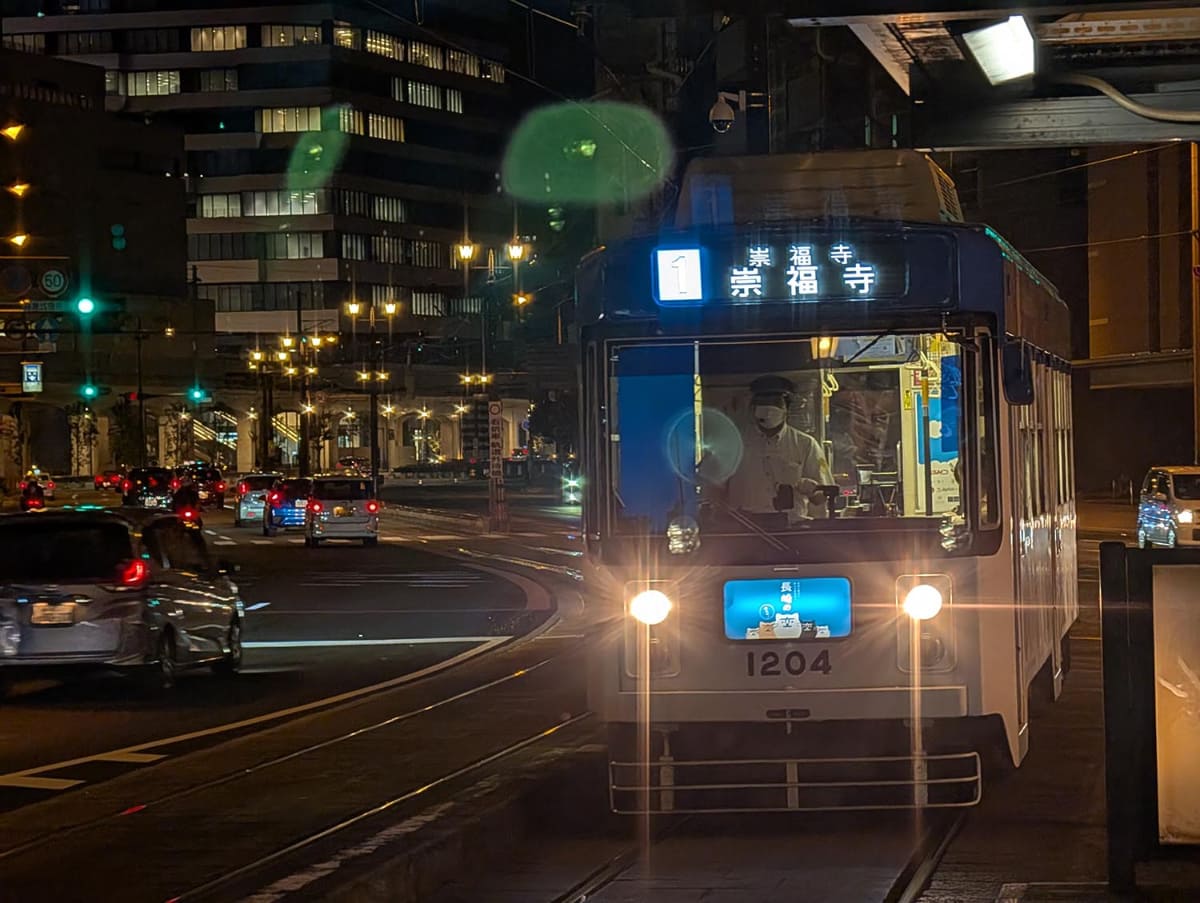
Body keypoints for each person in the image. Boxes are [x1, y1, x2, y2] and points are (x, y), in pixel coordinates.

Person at [714, 375, 834, 522]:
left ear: (786, 408)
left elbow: (822, 498)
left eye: (776, 403)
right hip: (745, 531)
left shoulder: (806, 445)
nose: (769, 409)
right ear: (753, 408)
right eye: (762, 403)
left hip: (791, 531)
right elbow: (714, 492)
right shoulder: (733, 445)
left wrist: (812, 490)